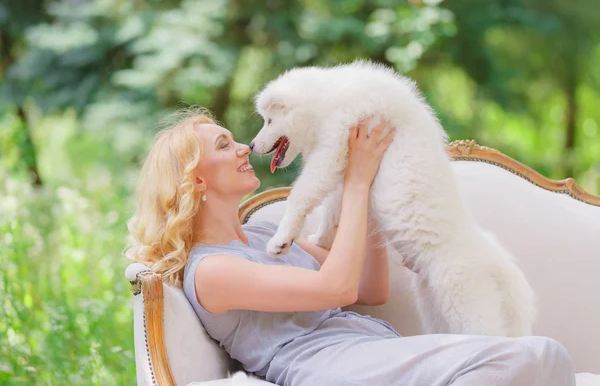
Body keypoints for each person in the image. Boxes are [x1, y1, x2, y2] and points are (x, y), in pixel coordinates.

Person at [126, 107, 575, 386]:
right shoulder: (211, 271)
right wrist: (356, 181)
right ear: (197, 181)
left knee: (544, 358)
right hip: (328, 368)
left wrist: (367, 185)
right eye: (225, 145)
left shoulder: (266, 237)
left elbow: (368, 286)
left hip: (368, 352)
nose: (245, 147)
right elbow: (337, 288)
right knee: (534, 358)